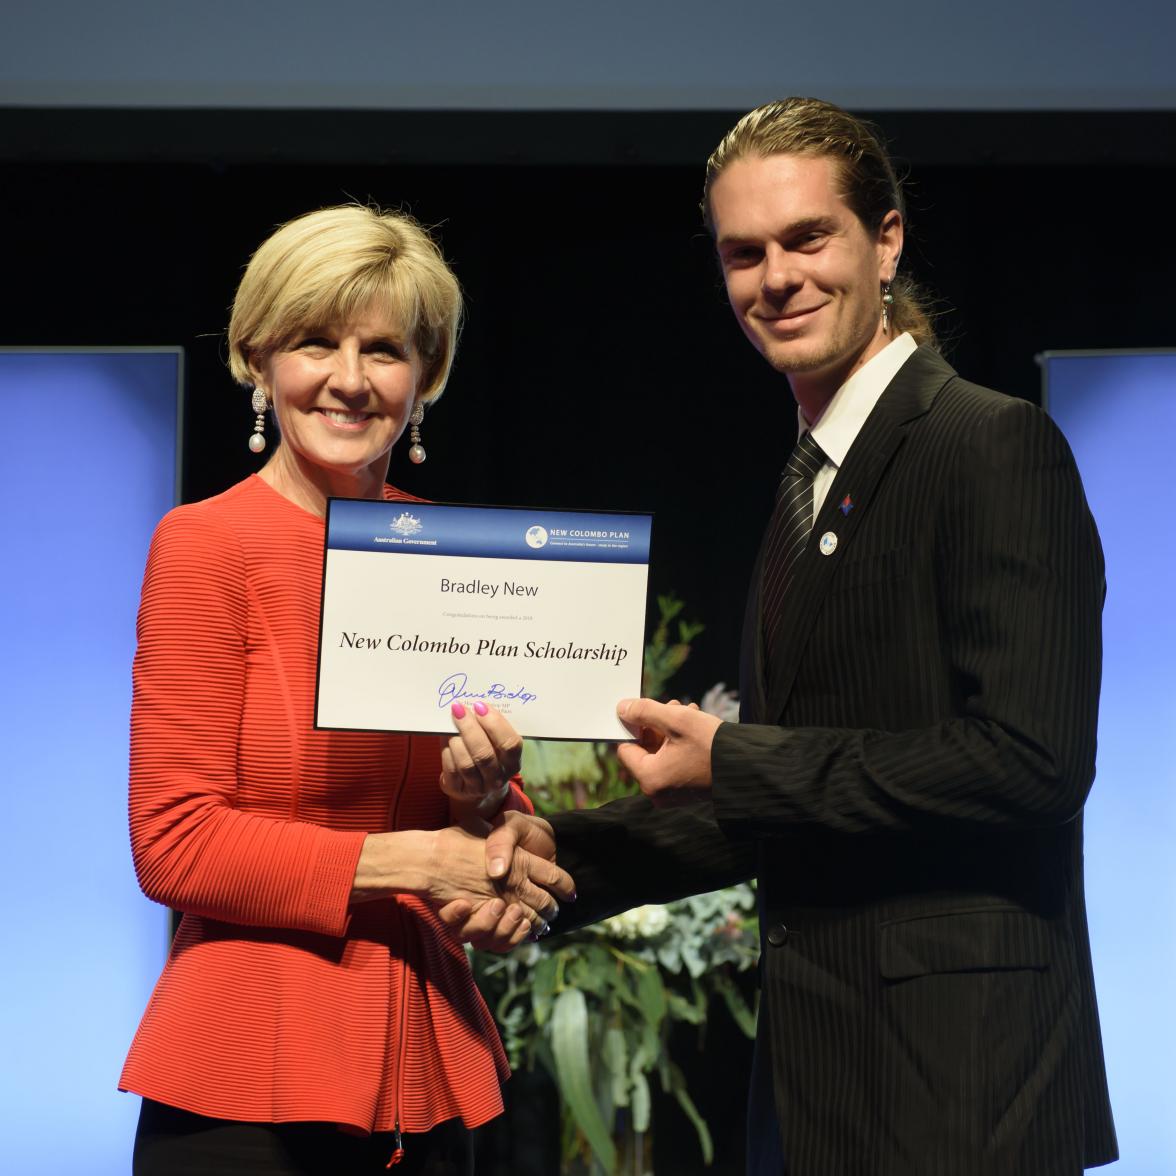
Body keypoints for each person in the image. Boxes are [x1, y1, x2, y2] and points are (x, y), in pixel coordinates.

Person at [477, 98, 1118, 1174]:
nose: (776, 276)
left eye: (807, 238)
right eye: (744, 252)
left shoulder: (992, 445)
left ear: (888, 238)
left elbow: (1033, 762)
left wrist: (733, 756)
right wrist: (566, 861)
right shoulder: (803, 486)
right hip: (826, 1082)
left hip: (966, 1086)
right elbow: (780, 797)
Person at [120, 204, 572, 1176]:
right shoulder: (205, 547)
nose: (350, 379)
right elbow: (175, 843)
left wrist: (485, 803)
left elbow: (482, 836)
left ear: (429, 374)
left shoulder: (454, 551)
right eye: (316, 342)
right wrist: (426, 860)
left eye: (384, 349)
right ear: (257, 358)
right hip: (245, 1081)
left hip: (429, 1071)